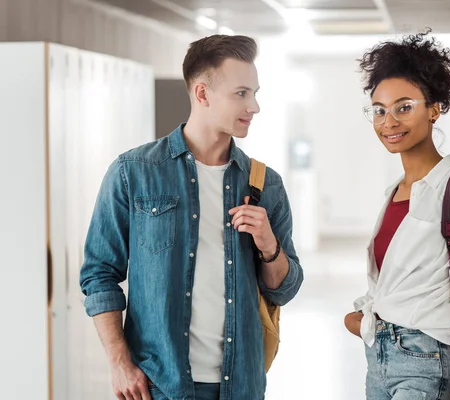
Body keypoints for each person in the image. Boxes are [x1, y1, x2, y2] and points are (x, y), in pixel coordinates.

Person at [80, 34, 304, 400]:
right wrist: (119, 363)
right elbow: (99, 273)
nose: (255, 106)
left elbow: (286, 287)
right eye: (242, 93)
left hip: (241, 386)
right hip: (159, 386)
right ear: (202, 94)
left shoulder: (265, 184)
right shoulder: (133, 172)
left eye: (255, 92)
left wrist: (268, 245)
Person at [343, 30, 450, 400]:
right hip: (379, 363)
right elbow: (393, 284)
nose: (389, 121)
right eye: (379, 110)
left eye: (404, 107)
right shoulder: (396, 193)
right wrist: (365, 318)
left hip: (428, 362)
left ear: (434, 108)